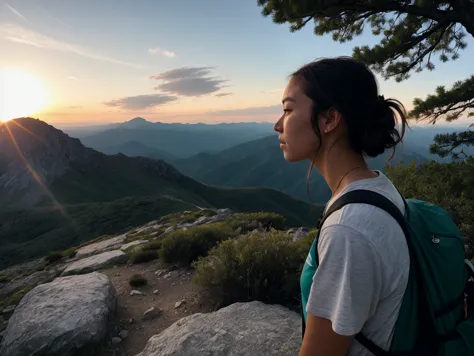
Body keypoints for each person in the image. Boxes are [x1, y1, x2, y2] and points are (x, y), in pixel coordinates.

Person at [273, 56, 410, 356]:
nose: (277, 125)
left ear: (329, 120)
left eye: (288, 110)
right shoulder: (377, 186)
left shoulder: (349, 228)